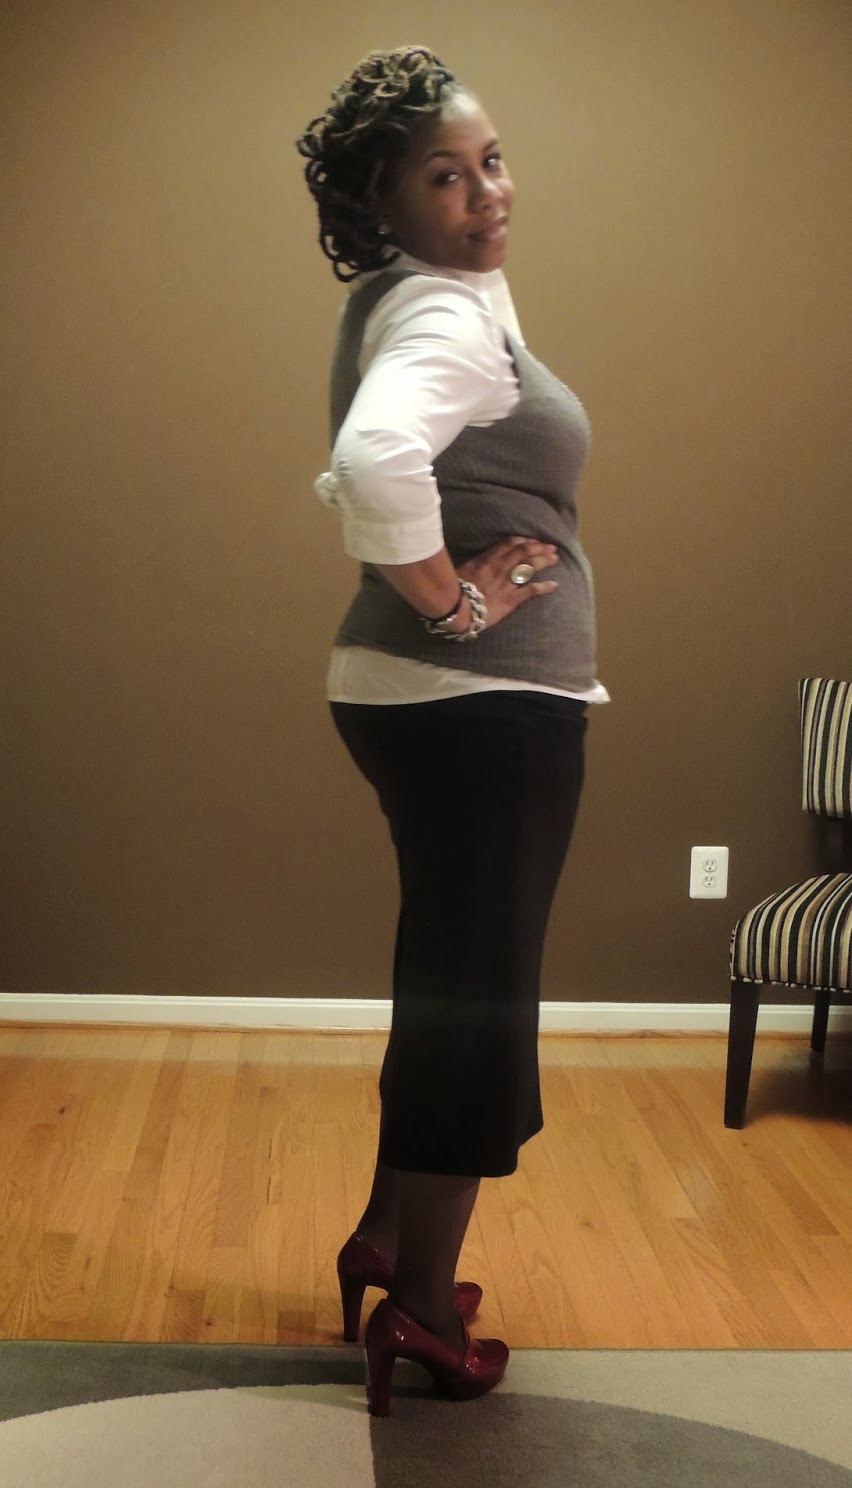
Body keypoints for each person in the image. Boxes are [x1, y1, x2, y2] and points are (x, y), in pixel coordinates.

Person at [296, 45, 607, 1417]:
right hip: (478, 711)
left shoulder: (429, 295)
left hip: (431, 707)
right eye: (445, 175)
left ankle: (386, 1235)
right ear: (383, 202)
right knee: (479, 1005)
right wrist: (459, 602)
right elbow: (372, 463)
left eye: (491, 160)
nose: (488, 192)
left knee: (447, 981)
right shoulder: (441, 312)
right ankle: (423, 1311)